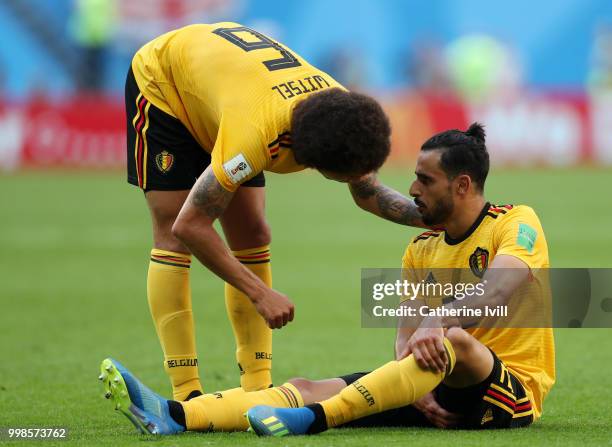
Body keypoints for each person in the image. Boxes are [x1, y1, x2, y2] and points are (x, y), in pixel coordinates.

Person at [101, 123, 554, 435]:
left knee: (455, 339)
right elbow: (404, 336)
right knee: (304, 387)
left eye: (424, 179)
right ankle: (177, 414)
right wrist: (414, 385)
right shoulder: (420, 248)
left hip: (508, 390)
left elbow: (498, 289)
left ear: (462, 185)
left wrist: (438, 324)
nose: (412, 189)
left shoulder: (514, 222)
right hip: (433, 386)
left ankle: (314, 421)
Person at [124, 22, 423, 401]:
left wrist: (430, 216)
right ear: (310, 162)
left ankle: (257, 386)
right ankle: (186, 393)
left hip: (228, 87)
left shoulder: (344, 113)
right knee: (170, 234)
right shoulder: (255, 137)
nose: (359, 178)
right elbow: (191, 225)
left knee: (253, 232)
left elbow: (367, 192)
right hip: (165, 83)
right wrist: (260, 293)